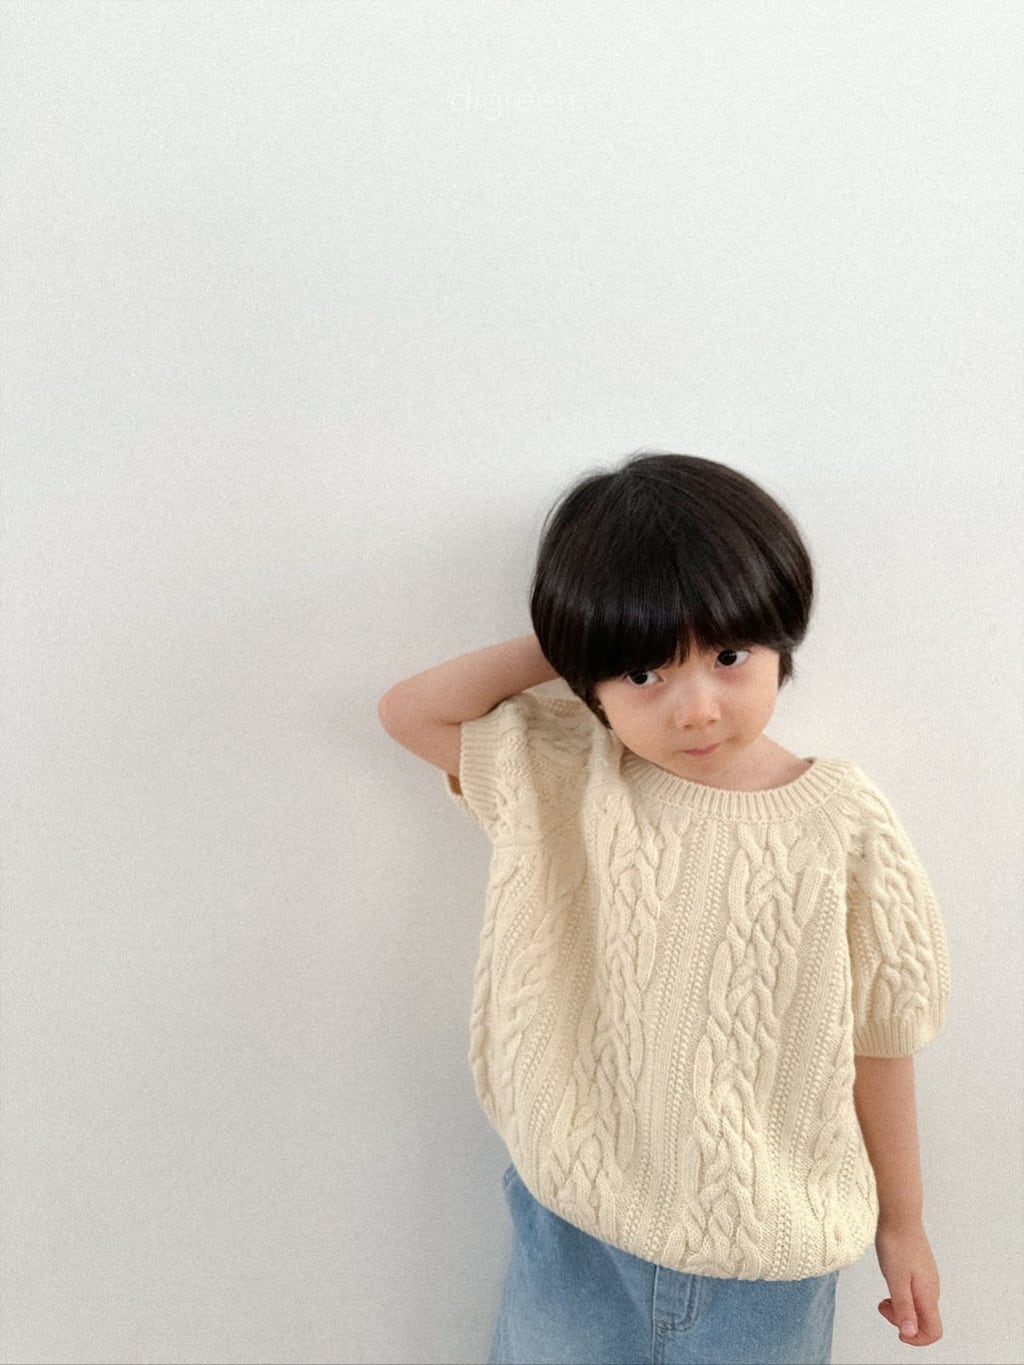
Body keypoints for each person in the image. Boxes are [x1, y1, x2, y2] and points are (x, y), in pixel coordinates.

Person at [378, 451, 950, 1365]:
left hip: (770, 1258)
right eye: (646, 673)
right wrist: (585, 635)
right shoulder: (570, 773)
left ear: (779, 637)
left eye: (728, 655)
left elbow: (883, 1036)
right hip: (577, 1229)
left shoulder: (842, 821)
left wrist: (904, 1221)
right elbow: (410, 713)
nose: (696, 709)